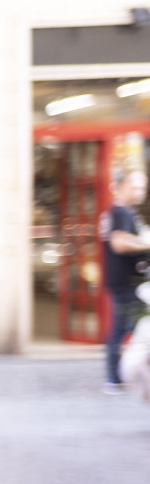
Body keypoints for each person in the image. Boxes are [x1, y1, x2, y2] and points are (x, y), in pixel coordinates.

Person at [101, 169, 150, 394]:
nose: (140, 191)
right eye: (135, 187)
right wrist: (146, 243)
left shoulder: (124, 212)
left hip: (125, 281)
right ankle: (116, 377)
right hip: (125, 282)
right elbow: (119, 243)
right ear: (122, 186)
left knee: (122, 330)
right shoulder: (120, 211)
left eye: (143, 187)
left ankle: (116, 377)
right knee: (128, 329)